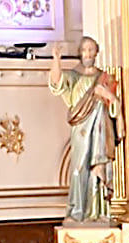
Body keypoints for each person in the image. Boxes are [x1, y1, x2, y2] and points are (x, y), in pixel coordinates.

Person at [45, 38, 120, 223]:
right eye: (84, 50)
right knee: (78, 169)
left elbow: (116, 107)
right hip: (80, 129)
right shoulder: (74, 76)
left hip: (100, 129)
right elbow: (57, 83)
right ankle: (77, 211)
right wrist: (56, 59)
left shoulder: (106, 79)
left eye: (91, 49)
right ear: (80, 52)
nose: (87, 53)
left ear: (96, 53)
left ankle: (99, 211)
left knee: (97, 169)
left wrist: (108, 95)